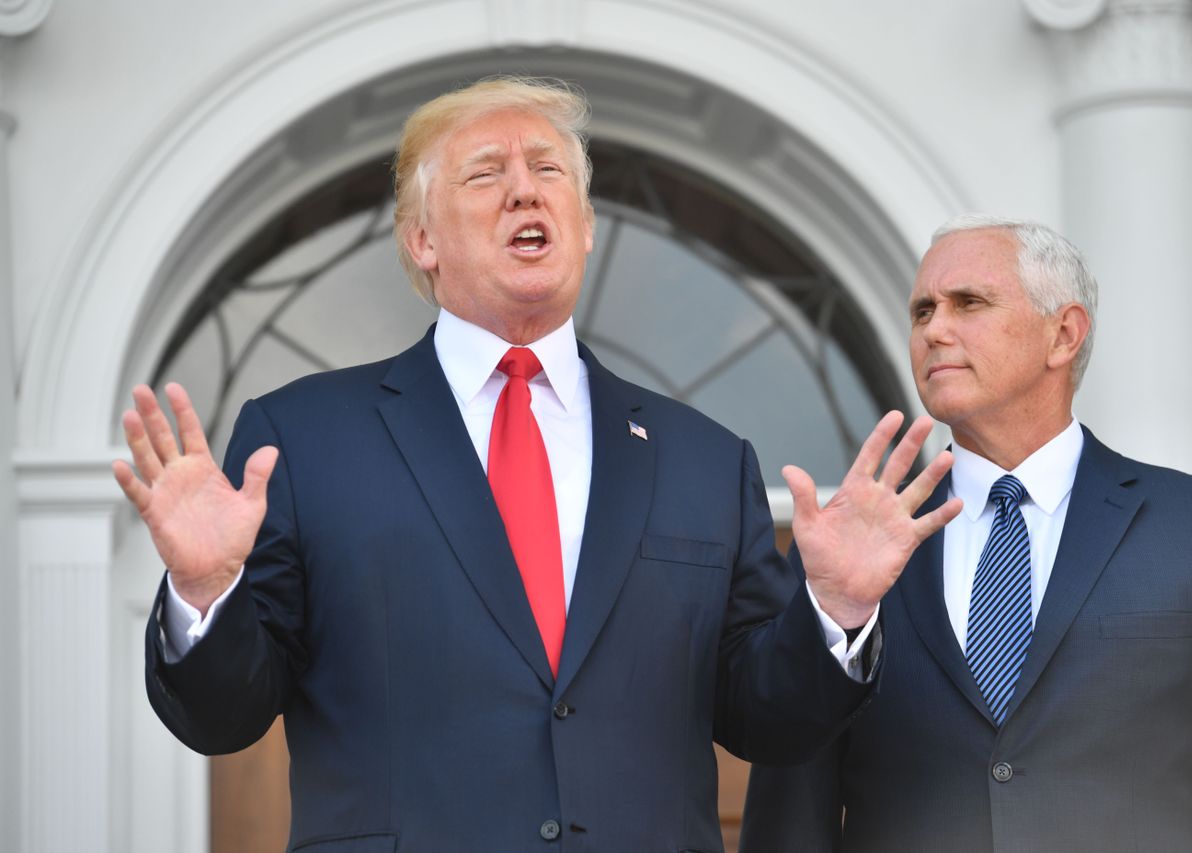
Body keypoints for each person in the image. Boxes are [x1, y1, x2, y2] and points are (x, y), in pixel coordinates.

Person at [112, 77, 960, 852]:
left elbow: (768, 721)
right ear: (421, 240)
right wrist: (201, 594)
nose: (525, 187)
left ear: (585, 227)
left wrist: (838, 610)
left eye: (549, 170)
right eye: (485, 174)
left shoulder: (703, 459)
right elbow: (223, 717)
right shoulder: (304, 438)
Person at [739, 214, 1192, 853]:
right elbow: (789, 811)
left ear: (1063, 335)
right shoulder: (846, 552)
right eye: (921, 312)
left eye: (969, 303)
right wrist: (837, 613)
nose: (934, 329)